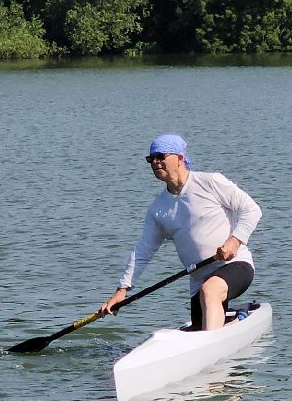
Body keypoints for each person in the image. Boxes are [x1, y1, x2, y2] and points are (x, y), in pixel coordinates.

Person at [101, 133, 262, 331]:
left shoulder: (210, 182)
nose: (155, 162)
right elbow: (143, 251)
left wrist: (235, 241)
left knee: (210, 290)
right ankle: (234, 320)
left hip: (235, 265)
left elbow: (252, 209)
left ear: (179, 158)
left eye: (161, 156)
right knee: (201, 316)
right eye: (151, 159)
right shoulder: (158, 208)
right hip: (198, 279)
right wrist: (122, 290)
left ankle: (210, 347)